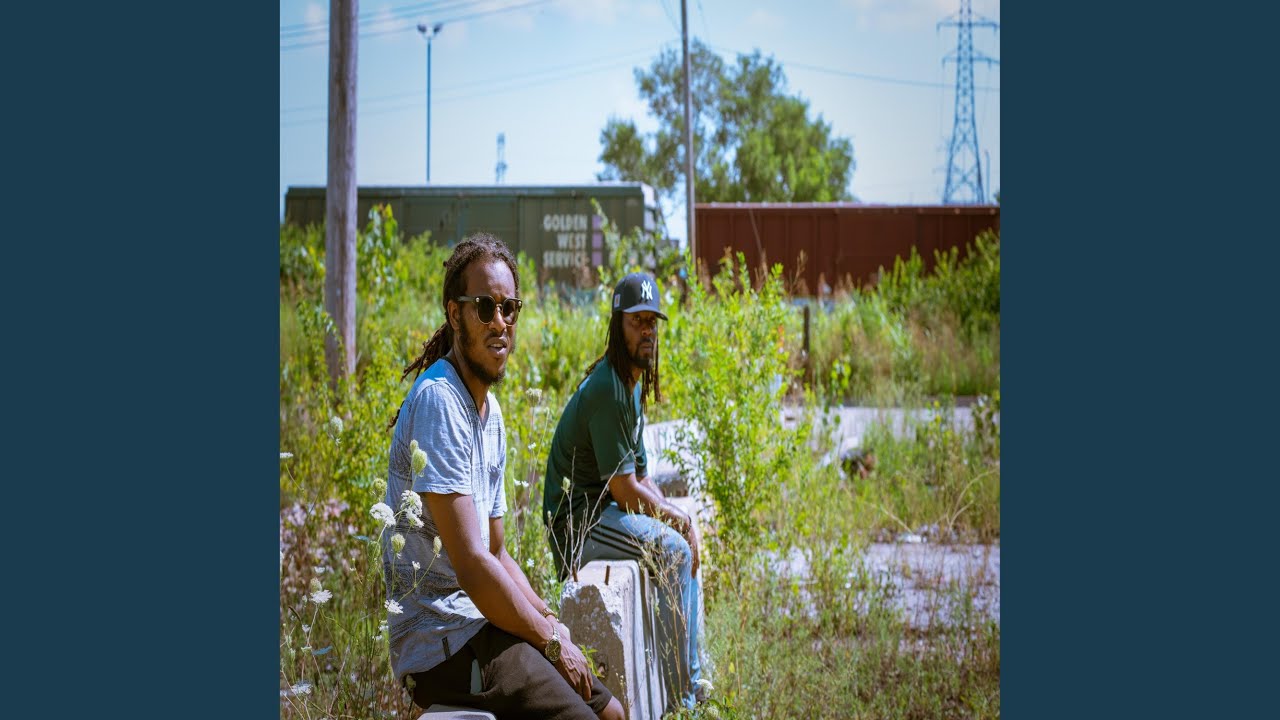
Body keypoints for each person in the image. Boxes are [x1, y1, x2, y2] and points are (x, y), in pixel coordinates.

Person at [381, 233, 624, 720]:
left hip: (482, 622)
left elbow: (496, 550)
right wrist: (549, 641)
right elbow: (472, 564)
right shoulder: (439, 402)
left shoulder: (491, 416)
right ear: (455, 315)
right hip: (441, 642)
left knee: (612, 711)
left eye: (509, 308)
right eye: (485, 307)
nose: (500, 322)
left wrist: (549, 620)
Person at [542, 271, 706, 711]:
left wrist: (679, 518)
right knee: (676, 551)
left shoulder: (630, 385)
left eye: (653, 322)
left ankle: (696, 680)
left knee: (682, 541)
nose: (647, 330)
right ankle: (686, 702)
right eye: (637, 321)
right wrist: (677, 521)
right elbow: (626, 490)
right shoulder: (608, 389)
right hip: (577, 525)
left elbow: (642, 478)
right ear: (618, 325)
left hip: (604, 513)